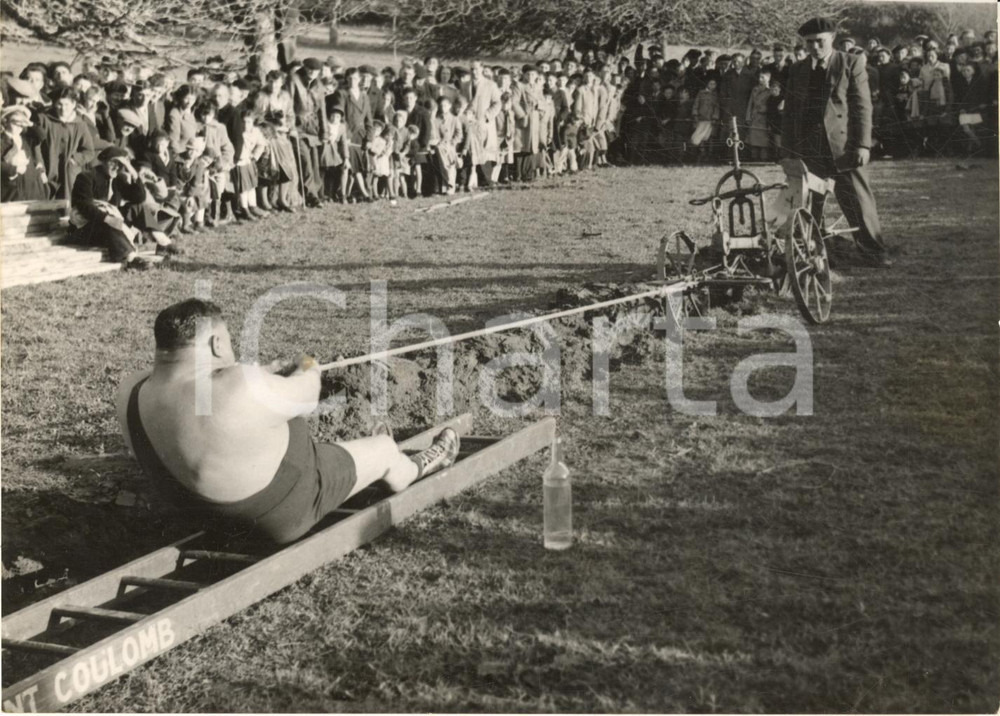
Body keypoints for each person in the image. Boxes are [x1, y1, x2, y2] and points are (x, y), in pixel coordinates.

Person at [115, 299, 461, 545]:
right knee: (385, 449)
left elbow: (201, 399)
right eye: (229, 341)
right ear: (216, 343)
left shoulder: (130, 391)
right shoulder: (240, 384)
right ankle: (415, 466)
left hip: (201, 517)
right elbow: (308, 393)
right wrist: (308, 363)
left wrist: (256, 377)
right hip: (281, 513)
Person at [781, 16, 890, 268]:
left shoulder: (851, 63)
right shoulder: (797, 69)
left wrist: (863, 144)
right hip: (808, 148)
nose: (814, 47)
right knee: (808, 204)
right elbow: (790, 113)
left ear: (832, 39)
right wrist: (787, 151)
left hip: (843, 148)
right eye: (809, 43)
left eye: (820, 42)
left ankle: (874, 250)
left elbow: (862, 106)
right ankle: (814, 251)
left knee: (857, 201)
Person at [70, 146, 153, 270]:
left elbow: (139, 198)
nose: (116, 167)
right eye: (113, 162)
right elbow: (85, 207)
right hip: (85, 229)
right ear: (103, 161)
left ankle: (163, 243)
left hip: (109, 227)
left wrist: (133, 172)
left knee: (138, 208)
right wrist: (108, 219)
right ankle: (130, 259)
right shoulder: (86, 177)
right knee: (109, 222)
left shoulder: (117, 179)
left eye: (121, 165)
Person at [1, 105, 49, 202]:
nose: (20, 127)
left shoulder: (26, 139)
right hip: (11, 191)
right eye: (16, 123)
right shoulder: (1, 141)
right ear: (5, 122)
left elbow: (42, 135)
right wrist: (13, 169)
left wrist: (30, 124)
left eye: (22, 125)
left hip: (31, 188)